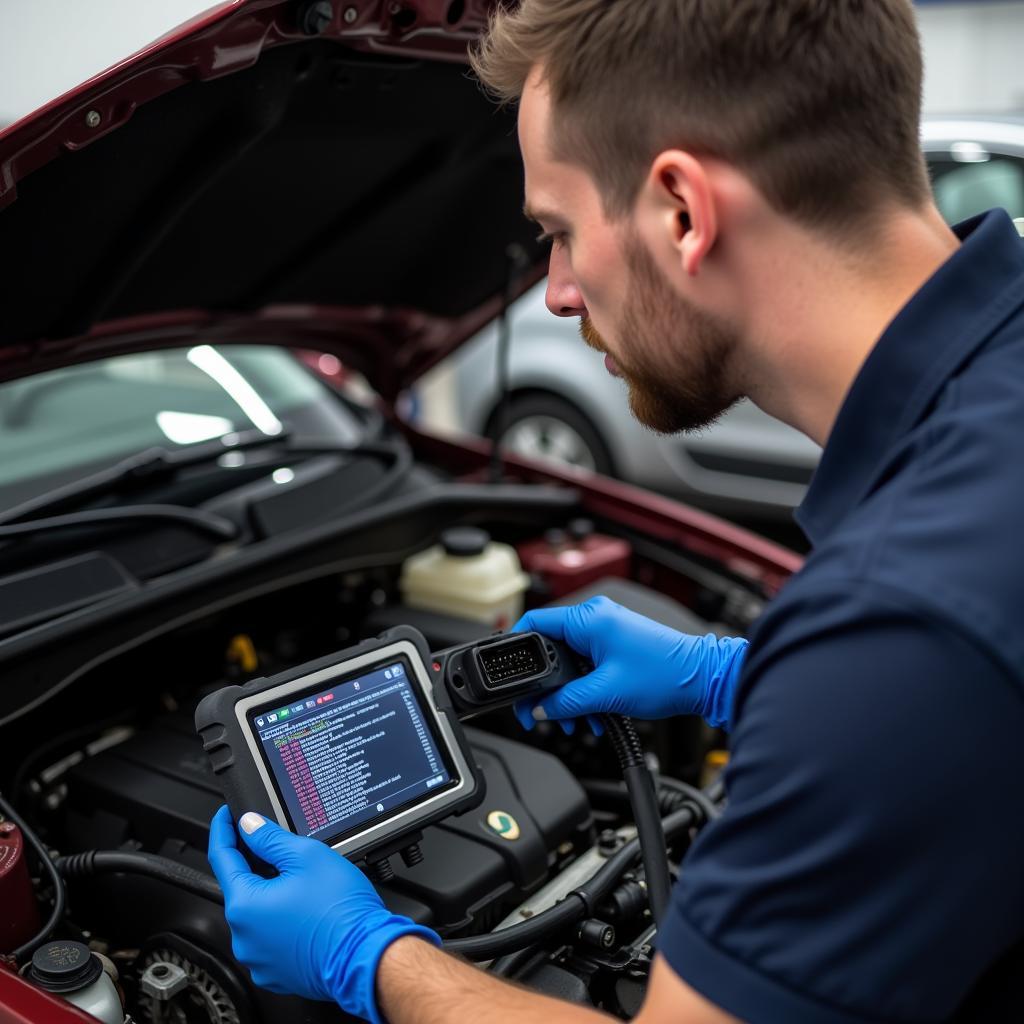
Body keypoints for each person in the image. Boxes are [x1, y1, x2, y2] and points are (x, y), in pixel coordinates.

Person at [207, 1, 1024, 1021]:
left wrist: (366, 960)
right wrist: (735, 676)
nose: (551, 291)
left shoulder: (900, 616)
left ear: (681, 208)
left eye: (556, 231)